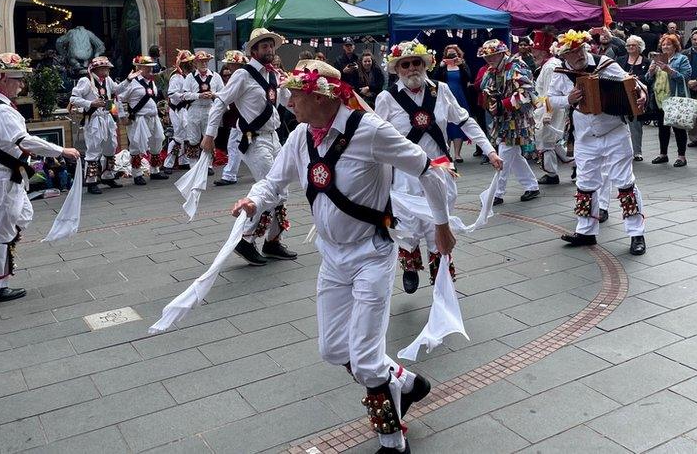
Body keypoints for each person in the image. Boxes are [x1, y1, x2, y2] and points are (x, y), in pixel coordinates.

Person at [233, 60, 446, 454]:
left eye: (296, 93)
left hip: (372, 254)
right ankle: (406, 382)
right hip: (332, 258)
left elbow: (428, 170)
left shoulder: (371, 131)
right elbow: (273, 180)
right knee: (333, 349)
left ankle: (392, 441)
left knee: (364, 360)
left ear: (321, 96)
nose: (288, 100)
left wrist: (442, 226)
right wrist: (253, 201)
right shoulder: (299, 136)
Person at [375, 40, 501, 294]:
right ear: (397, 69)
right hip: (405, 175)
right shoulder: (386, 98)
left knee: (439, 225)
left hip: (440, 170)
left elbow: (466, 121)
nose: (411, 69)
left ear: (425, 65)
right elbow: (374, 137)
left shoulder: (441, 90)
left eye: (416, 63)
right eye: (405, 64)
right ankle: (410, 266)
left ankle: (442, 276)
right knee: (407, 225)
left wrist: (489, 150)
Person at [0, 53, 79, 304]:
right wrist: (61, 150)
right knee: (2, 228)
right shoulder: (0, 109)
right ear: (2, 79)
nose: (21, 85)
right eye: (18, 79)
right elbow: (23, 141)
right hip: (0, 175)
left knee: (22, 214)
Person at [547, 30, 648, 256]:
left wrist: (641, 92)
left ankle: (636, 233)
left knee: (625, 182)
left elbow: (633, 83)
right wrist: (567, 100)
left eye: (580, 50)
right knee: (585, 183)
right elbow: (550, 98)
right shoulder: (560, 73)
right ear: (564, 57)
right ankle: (586, 232)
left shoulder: (605, 64)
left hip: (615, 133)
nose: (578, 55)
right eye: (572, 54)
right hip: (585, 139)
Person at [202, 28, 296, 265]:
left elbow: (288, 101)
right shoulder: (242, 75)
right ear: (254, 51)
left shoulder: (273, 74)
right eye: (264, 46)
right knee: (270, 191)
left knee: (282, 190)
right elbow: (220, 102)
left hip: (275, 137)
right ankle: (245, 239)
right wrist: (210, 135)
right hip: (254, 140)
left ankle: (272, 242)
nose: (269, 50)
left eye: (271, 46)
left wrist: (313, 114)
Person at [472, 39, 539, 205]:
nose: (489, 59)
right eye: (486, 57)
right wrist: (492, 102)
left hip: (517, 120)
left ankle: (496, 193)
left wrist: (503, 104)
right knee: (513, 154)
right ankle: (531, 185)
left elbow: (527, 93)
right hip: (501, 119)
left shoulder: (517, 66)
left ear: (502, 53)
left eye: (493, 55)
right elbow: (484, 88)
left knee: (504, 154)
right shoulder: (491, 70)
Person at [70, 56, 123, 195]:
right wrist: (91, 103)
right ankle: (91, 181)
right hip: (94, 120)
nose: (107, 70)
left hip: (107, 118)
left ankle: (108, 176)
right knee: (93, 149)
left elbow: (114, 94)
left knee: (111, 146)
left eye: (107, 68)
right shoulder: (86, 81)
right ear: (96, 69)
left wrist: (116, 115)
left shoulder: (107, 80)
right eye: (104, 68)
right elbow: (73, 98)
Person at [118, 55, 169, 184]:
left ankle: (155, 170)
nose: (150, 70)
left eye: (151, 67)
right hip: (138, 119)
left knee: (157, 140)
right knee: (136, 145)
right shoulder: (132, 82)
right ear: (139, 68)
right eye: (146, 67)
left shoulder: (151, 82)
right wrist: (123, 117)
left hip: (153, 117)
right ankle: (137, 174)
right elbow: (118, 99)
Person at [647, 34, 692, 167]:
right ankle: (663, 154)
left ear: (675, 46)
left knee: (678, 128)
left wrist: (669, 70)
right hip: (659, 98)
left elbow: (685, 77)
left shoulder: (681, 59)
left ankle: (681, 156)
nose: (665, 47)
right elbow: (648, 79)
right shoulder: (657, 59)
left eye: (669, 44)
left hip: (674, 97)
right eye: (663, 44)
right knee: (662, 128)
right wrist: (650, 72)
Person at [183, 50, 224, 175]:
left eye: (206, 61)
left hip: (210, 109)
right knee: (193, 138)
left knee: (209, 137)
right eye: (201, 61)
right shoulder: (190, 77)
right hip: (194, 109)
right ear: (195, 63)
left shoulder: (215, 76)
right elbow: (184, 95)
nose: (204, 63)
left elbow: (223, 93)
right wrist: (199, 96)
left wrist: (213, 95)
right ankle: (193, 166)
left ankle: (208, 165)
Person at [536, 42, 572, 184]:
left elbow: (551, 93)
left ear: (543, 51)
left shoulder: (550, 66)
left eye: (535, 49)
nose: (532, 52)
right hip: (548, 107)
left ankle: (551, 174)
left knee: (547, 142)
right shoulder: (549, 64)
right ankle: (576, 165)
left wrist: (547, 114)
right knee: (553, 141)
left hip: (550, 109)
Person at [431, 45, 473, 163]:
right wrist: (440, 66)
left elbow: (468, 78)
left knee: (458, 124)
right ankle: (446, 152)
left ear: (458, 54)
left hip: (459, 97)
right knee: (445, 123)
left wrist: (461, 65)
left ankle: (458, 154)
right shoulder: (442, 66)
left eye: (453, 54)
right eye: (449, 54)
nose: (451, 56)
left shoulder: (462, 65)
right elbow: (434, 80)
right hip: (444, 98)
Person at [214, 51, 247, 187]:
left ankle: (272, 171)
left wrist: (216, 95)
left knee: (251, 145)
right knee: (235, 145)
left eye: (231, 64)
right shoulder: (241, 77)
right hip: (239, 121)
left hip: (247, 121)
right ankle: (229, 175)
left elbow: (227, 97)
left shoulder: (241, 77)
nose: (229, 67)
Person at [618, 35, 651, 161]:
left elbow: (648, 79)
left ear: (639, 47)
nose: (630, 47)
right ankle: (623, 150)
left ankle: (637, 151)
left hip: (638, 95)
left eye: (633, 45)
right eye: (628, 45)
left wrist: (636, 78)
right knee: (620, 123)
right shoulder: (620, 60)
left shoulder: (646, 61)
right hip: (621, 94)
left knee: (635, 124)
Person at [163, 50, 195, 173]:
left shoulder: (188, 76)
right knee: (178, 136)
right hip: (176, 109)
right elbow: (171, 93)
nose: (192, 63)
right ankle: (168, 164)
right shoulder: (176, 76)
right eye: (189, 62)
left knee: (186, 135)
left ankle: (184, 161)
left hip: (185, 109)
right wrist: (184, 96)